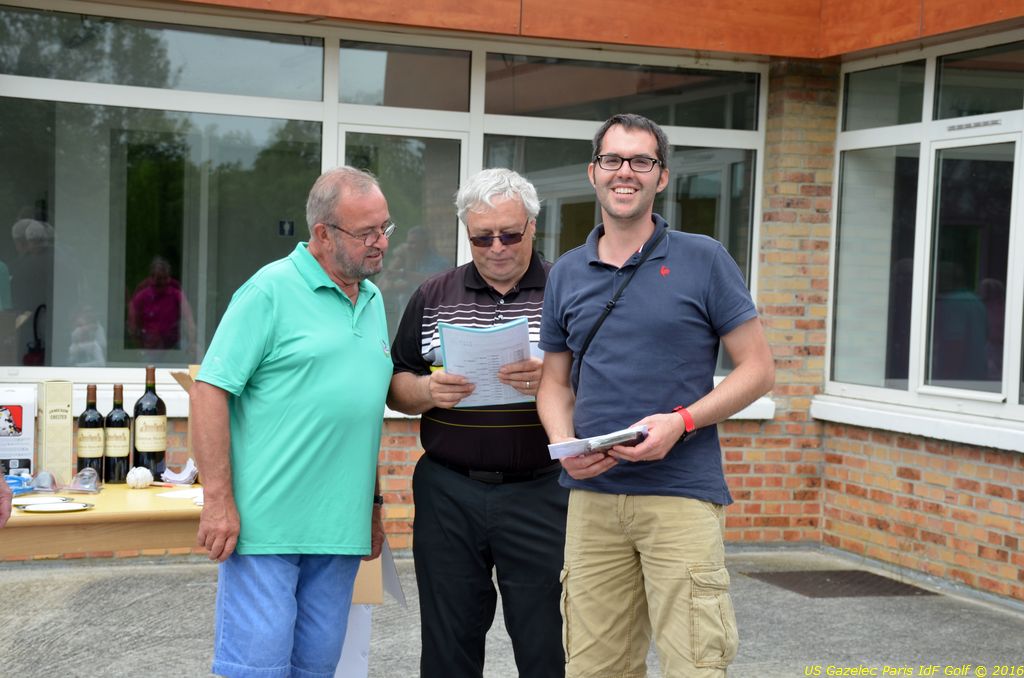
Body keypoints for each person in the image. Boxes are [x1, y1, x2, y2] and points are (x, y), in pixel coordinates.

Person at [537, 113, 775, 678]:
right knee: (594, 668)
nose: (626, 172)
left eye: (641, 161)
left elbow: (759, 370)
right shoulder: (566, 272)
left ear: (661, 177)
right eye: (613, 159)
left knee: (695, 664)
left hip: (680, 496)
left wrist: (682, 422)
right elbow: (554, 383)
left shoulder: (704, 258)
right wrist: (565, 445)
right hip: (593, 500)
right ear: (593, 172)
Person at [192, 166, 394, 678]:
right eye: (366, 232)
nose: (380, 242)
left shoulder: (373, 301)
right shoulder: (270, 290)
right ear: (323, 233)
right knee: (256, 671)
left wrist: (372, 507)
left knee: (318, 669)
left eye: (385, 227)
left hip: (340, 531)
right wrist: (217, 500)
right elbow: (210, 390)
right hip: (266, 529)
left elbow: (358, 413)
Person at [388, 168, 568, 678]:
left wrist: (554, 381)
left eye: (509, 234)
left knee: (549, 641)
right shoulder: (433, 294)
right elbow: (397, 383)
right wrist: (427, 392)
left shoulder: (569, 290)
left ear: (533, 226)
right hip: (450, 492)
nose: (496, 248)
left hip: (543, 490)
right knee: (448, 644)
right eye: (481, 237)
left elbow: (606, 385)